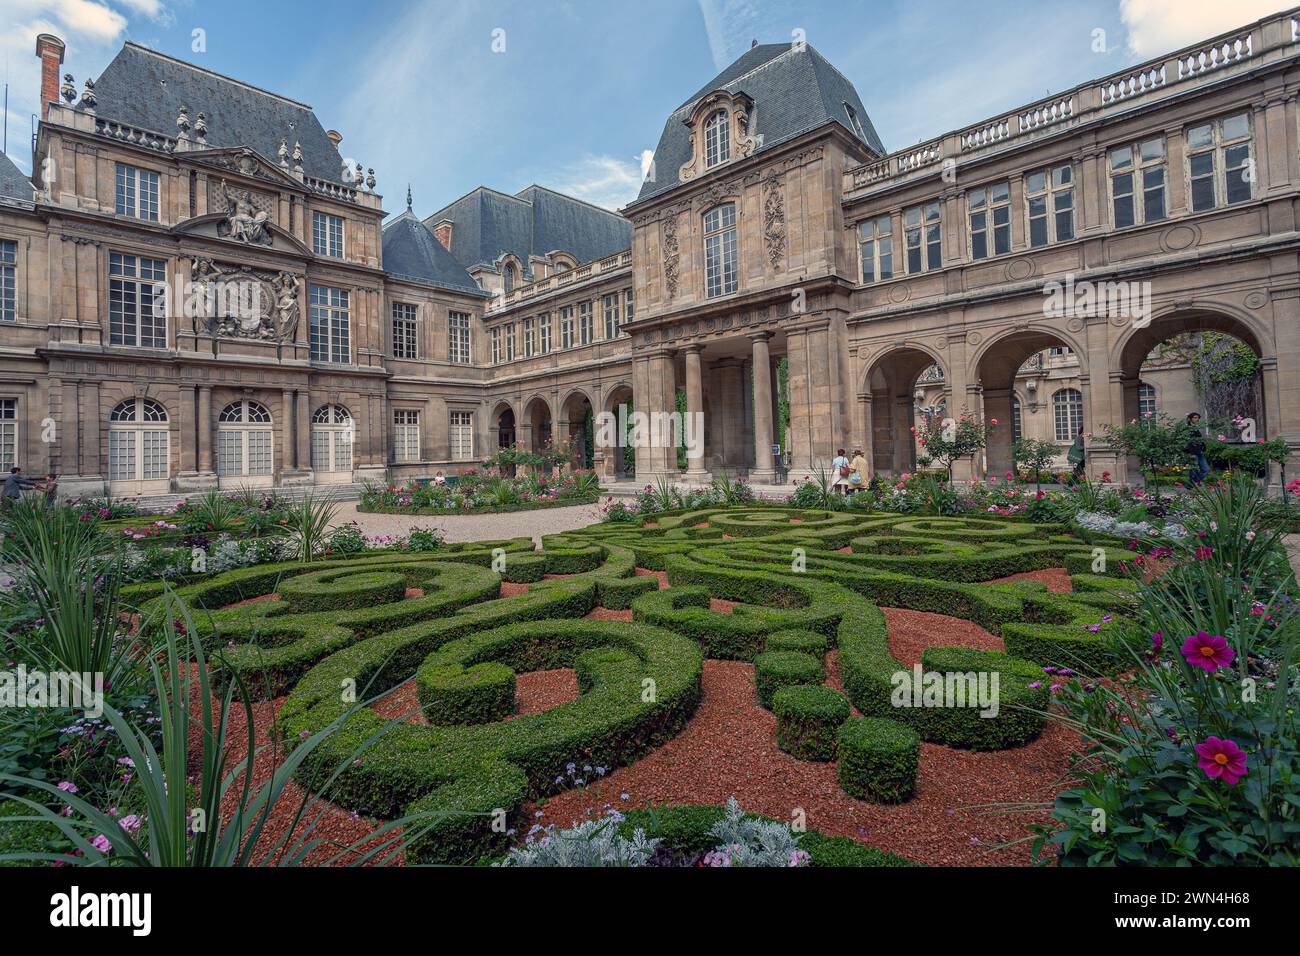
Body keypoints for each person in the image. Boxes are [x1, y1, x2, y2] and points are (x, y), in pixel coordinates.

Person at [1184, 412, 1209, 486]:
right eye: (1195, 417)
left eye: (1197, 418)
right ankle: (1191, 485)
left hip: (1199, 452)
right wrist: (1191, 453)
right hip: (1192, 453)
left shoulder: (1196, 428)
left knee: (1205, 469)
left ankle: (1192, 483)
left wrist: (1203, 448)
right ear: (1190, 419)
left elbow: (1199, 441)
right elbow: (1188, 442)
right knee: (1193, 470)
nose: (1197, 419)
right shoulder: (1187, 429)